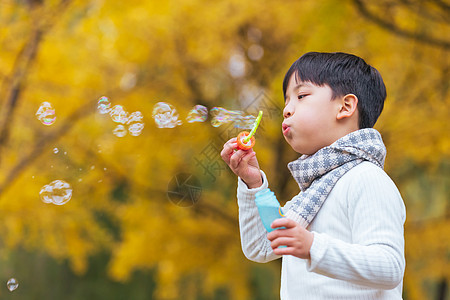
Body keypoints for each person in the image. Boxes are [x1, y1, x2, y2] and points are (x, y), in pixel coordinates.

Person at [221, 52, 406, 299]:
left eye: (301, 96)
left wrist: (312, 246)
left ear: (345, 106)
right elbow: (261, 246)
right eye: (286, 100)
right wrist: (253, 183)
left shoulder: (366, 178)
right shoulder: (313, 192)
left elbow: (389, 266)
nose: (287, 109)